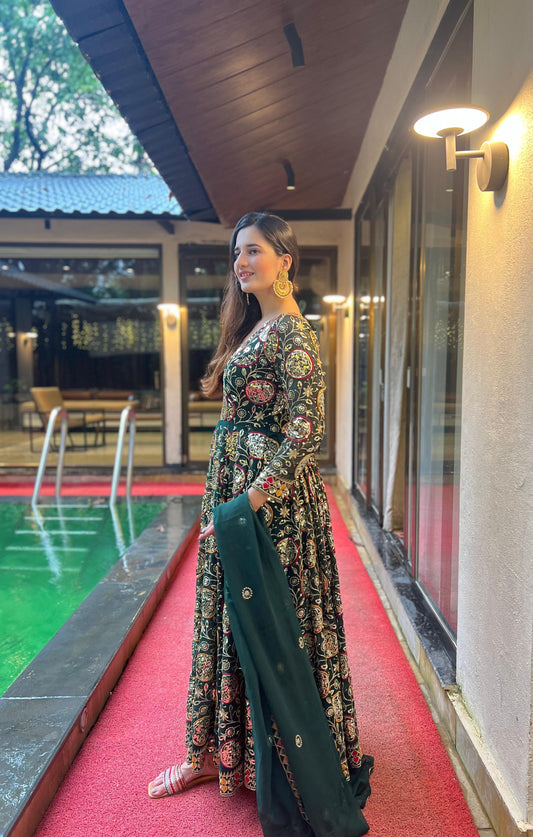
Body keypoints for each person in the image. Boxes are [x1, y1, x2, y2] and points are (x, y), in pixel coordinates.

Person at [148, 212, 372, 833]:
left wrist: (247, 503)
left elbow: (306, 432)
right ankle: (213, 753)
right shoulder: (257, 324)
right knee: (223, 618)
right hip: (238, 497)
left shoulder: (293, 332)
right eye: (236, 253)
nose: (241, 262)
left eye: (253, 251)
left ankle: (280, 761)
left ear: (284, 260)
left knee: (271, 626)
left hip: (269, 511)